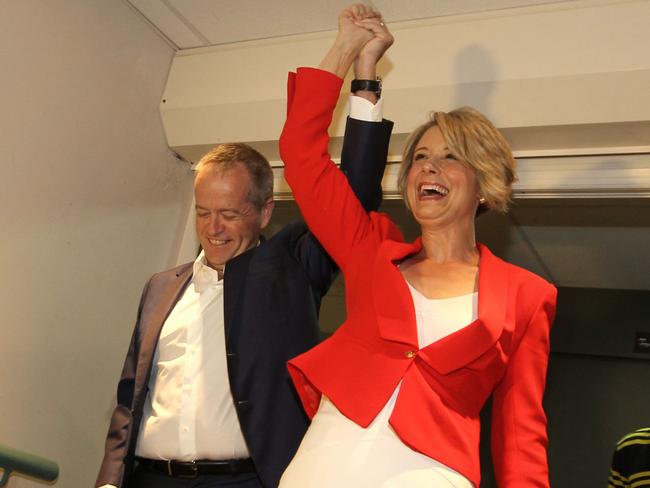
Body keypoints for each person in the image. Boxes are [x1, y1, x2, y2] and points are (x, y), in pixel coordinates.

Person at [94, 9, 394, 487]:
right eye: (203, 211)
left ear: (264, 212)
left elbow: (354, 194)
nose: (213, 228)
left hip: (243, 481)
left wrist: (362, 74)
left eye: (230, 214)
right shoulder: (159, 288)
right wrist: (109, 481)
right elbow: (130, 397)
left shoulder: (293, 266)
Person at [278, 5, 558, 488]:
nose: (428, 168)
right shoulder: (372, 251)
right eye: (421, 158)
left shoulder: (528, 296)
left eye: (450, 158)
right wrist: (349, 51)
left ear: (485, 186)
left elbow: (520, 436)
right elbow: (302, 157)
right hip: (323, 466)